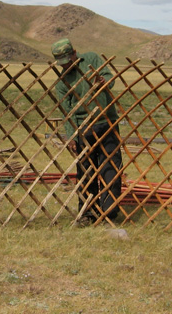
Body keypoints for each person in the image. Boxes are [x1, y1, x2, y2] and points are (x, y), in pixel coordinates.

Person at [51, 38, 122, 225]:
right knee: (86, 172)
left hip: (106, 122)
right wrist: (72, 136)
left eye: (67, 60)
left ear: (74, 53)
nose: (65, 65)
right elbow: (67, 112)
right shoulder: (62, 82)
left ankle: (109, 213)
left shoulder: (91, 59)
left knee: (110, 169)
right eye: (62, 63)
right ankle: (88, 212)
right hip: (83, 129)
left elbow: (109, 77)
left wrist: (103, 81)